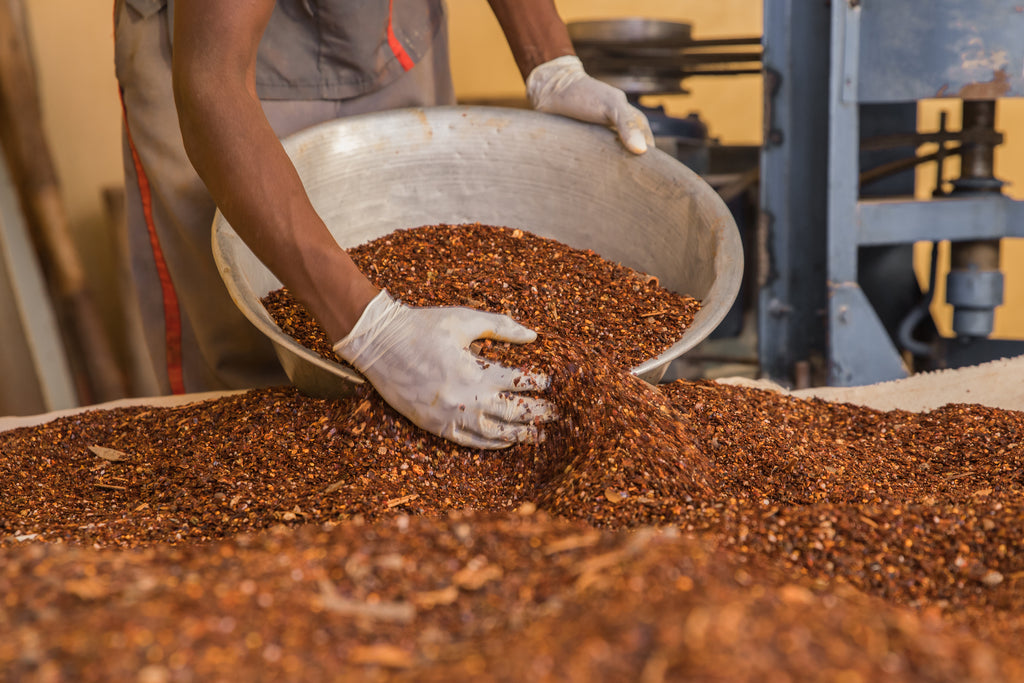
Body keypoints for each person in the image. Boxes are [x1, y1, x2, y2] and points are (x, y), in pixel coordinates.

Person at [114, 0, 653, 449]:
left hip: (384, 27)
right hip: (223, 56)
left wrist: (549, 62)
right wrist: (375, 332)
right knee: (261, 380)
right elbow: (214, 84)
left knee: (440, 368)